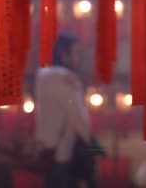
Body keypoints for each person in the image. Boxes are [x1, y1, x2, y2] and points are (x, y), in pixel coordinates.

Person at [34, 33, 102, 188]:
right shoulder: (65, 77)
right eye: (76, 52)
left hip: (46, 146)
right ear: (63, 54)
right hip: (63, 149)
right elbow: (78, 116)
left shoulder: (43, 74)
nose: (79, 58)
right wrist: (91, 141)